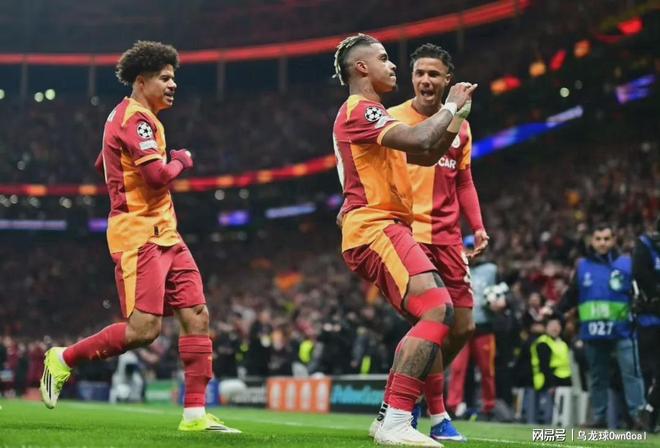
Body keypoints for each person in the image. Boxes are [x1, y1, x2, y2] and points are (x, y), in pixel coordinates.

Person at [39, 41, 240, 434]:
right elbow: (156, 176)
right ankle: (63, 359)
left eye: (173, 78)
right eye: (165, 78)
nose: (173, 85)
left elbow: (106, 160)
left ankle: (195, 415)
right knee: (143, 331)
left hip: (167, 233)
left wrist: (116, 164)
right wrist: (181, 159)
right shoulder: (136, 120)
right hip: (139, 235)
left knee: (197, 315)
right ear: (141, 80)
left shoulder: (132, 117)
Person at [332, 33, 475, 446]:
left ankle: (389, 416)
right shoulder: (360, 109)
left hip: (383, 228)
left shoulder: (375, 115)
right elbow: (421, 138)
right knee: (437, 309)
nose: (393, 65)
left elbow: (427, 154)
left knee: (432, 314)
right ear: (362, 68)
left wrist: (456, 119)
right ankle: (397, 419)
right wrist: (450, 106)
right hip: (376, 227)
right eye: (383, 58)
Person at [368, 43, 487, 443]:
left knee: (464, 326)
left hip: (449, 238)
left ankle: (407, 391)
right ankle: (435, 415)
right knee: (434, 319)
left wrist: (478, 226)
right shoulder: (394, 120)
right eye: (419, 73)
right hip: (411, 234)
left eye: (434, 74)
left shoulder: (461, 126)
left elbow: (464, 181)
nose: (425, 80)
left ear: (447, 80)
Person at [558, 223, 645, 429]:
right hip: (593, 332)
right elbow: (571, 295)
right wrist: (555, 312)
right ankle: (599, 418)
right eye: (598, 239)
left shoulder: (627, 263)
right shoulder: (582, 266)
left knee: (632, 375)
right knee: (597, 378)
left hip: (624, 330)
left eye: (606, 239)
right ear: (592, 241)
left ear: (614, 240)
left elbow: (640, 293)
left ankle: (640, 417)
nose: (602, 243)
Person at [446, 236, 499, 423]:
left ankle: (489, 407)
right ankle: (453, 406)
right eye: (467, 247)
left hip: (484, 327)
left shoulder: (491, 270)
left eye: (473, 248)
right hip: (461, 326)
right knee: (457, 368)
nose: (470, 251)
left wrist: (501, 302)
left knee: (487, 370)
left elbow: (502, 293)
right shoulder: (455, 268)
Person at [633, 218, 660, 432]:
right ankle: (648, 414)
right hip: (650, 318)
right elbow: (641, 277)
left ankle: (649, 411)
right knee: (649, 370)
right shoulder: (645, 246)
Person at [529, 317, 572, 424]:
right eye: (552, 326)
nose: (555, 328)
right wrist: (550, 384)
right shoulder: (543, 343)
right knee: (547, 411)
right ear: (546, 328)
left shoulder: (562, 343)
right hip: (547, 379)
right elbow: (544, 366)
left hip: (564, 379)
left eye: (557, 326)